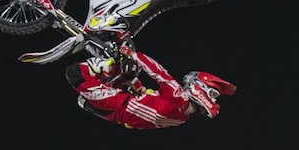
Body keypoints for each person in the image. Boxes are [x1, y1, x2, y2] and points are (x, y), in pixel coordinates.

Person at [65, 36, 236, 130]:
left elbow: (159, 72)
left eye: (213, 94)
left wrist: (132, 54)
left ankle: (103, 56)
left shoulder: (179, 98)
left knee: (75, 73)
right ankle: (106, 60)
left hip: (115, 102)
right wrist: (136, 84)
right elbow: (148, 103)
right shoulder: (181, 118)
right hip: (113, 114)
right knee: (129, 73)